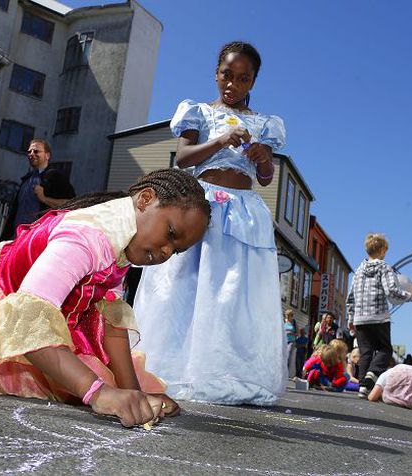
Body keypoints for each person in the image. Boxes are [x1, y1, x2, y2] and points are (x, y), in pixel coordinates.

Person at [0, 169, 211, 427]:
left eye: (178, 250)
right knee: (85, 385)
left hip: (45, 320)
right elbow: (22, 323)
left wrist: (134, 394)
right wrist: (100, 394)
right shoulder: (86, 237)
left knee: (96, 381)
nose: (167, 252)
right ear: (145, 200)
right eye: (171, 233)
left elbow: (113, 329)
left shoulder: (123, 242)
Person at [132, 41, 287, 405]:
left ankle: (223, 371)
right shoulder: (199, 112)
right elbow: (183, 159)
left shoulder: (265, 124)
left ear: (253, 82)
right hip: (200, 206)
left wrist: (263, 157)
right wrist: (219, 140)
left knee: (230, 291)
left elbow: (264, 178)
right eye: (226, 76)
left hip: (243, 210)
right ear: (216, 74)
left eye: (242, 79)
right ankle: (170, 368)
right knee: (185, 286)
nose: (232, 84)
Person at [347, 233, 412, 398]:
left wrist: (350, 318)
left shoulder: (359, 270)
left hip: (360, 318)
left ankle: (363, 387)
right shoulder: (384, 267)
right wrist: (409, 295)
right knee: (385, 349)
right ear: (383, 250)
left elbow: (351, 296)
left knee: (366, 352)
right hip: (378, 316)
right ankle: (372, 374)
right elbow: (391, 290)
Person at [1, 139, 76, 240]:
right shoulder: (26, 180)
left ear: (47, 156)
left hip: (37, 240)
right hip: (16, 238)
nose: (31, 154)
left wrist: (44, 198)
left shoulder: (55, 177)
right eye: (29, 151)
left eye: (36, 151)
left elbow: (71, 204)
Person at [284, 309, 297, 378]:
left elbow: (297, 333)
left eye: (290, 315)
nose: (289, 317)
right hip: (284, 341)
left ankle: (287, 372)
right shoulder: (284, 322)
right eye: (287, 315)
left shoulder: (294, 323)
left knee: (288, 356)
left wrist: (291, 333)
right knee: (284, 356)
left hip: (291, 341)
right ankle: (282, 372)